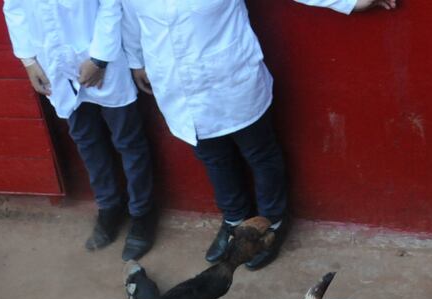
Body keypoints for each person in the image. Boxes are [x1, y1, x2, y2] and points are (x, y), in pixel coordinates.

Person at [120, 0, 396, 270]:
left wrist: (350, 1)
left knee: (260, 153)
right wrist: (137, 61)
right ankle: (234, 218)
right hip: (178, 86)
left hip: (231, 79)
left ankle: (271, 221)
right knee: (212, 156)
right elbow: (132, 19)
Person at [3, 0, 158, 260]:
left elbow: (111, 5)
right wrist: (29, 61)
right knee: (86, 140)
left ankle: (143, 213)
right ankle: (109, 207)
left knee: (128, 141)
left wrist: (99, 59)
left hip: (102, 59)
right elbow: (14, 7)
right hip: (56, 64)